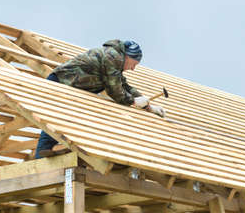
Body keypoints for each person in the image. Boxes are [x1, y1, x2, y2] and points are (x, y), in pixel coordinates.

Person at [35, 39, 165, 159]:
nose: (132, 68)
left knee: (70, 116)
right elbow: (114, 90)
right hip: (62, 81)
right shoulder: (113, 57)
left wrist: (147, 105)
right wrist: (133, 101)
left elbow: (123, 84)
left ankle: (53, 149)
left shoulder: (115, 60)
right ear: (127, 57)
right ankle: (43, 155)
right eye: (134, 64)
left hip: (73, 86)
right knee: (56, 116)